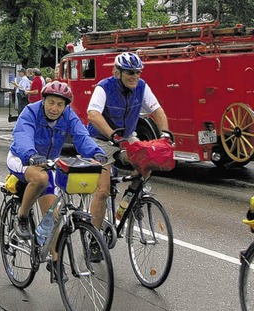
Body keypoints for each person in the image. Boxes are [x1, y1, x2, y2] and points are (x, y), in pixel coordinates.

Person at [9, 81, 106, 279]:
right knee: (41, 178)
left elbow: (81, 136)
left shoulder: (68, 115)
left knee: (52, 216)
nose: (55, 108)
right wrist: (31, 154)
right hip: (22, 158)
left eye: (60, 105)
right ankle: (22, 217)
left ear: (65, 106)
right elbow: (22, 135)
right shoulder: (30, 111)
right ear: (43, 100)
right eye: (51, 102)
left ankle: (54, 261)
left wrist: (97, 153)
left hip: (48, 162)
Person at [87, 52, 170, 232]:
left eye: (138, 72)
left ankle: (129, 197)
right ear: (118, 73)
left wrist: (165, 135)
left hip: (126, 136)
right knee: (102, 191)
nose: (135, 76)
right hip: (100, 139)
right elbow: (92, 114)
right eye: (130, 72)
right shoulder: (104, 87)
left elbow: (157, 110)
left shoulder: (141, 87)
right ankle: (94, 238)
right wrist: (113, 136)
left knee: (147, 159)